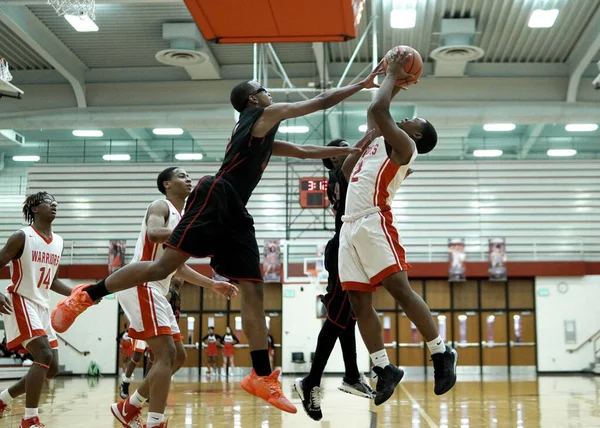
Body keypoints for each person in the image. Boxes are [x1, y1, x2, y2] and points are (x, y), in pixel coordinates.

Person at [51, 71, 382, 414]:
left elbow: (302, 150)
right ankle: (87, 296)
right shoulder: (259, 116)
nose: (269, 94)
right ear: (253, 99)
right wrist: (361, 84)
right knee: (164, 266)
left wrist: (357, 148)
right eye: (264, 90)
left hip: (236, 210)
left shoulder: (264, 135)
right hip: (217, 194)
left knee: (253, 289)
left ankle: (261, 375)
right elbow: (316, 103)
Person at [339, 49, 458, 406]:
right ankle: (383, 368)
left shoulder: (405, 148)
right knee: (359, 302)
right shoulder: (378, 141)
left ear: (417, 137)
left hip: (375, 220)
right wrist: (386, 82)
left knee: (399, 289)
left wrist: (391, 74)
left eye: (413, 121)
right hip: (349, 227)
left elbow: (378, 110)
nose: (406, 120)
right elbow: (348, 171)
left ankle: (440, 352)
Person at [86, 167, 237, 428]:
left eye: (189, 176)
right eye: (181, 175)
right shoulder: (161, 206)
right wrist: (195, 232)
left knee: (178, 356)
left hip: (157, 289)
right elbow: (154, 234)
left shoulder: (184, 217)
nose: (188, 179)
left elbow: (177, 266)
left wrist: (213, 285)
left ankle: (129, 405)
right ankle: (155, 421)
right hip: (140, 283)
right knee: (165, 353)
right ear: (167, 184)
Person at [294, 133, 380, 421]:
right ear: (331, 158)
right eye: (341, 148)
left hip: (351, 246)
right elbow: (363, 149)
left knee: (347, 315)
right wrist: (377, 131)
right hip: (342, 247)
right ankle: (312, 380)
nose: (349, 149)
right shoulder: (339, 173)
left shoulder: (350, 175)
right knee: (338, 315)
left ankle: (352, 374)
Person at [0, 192, 78, 427]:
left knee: (51, 368)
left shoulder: (59, 241)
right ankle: (30, 419)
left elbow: (52, 281)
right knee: (42, 355)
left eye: (56, 201)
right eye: (47, 201)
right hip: (20, 300)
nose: (54, 204)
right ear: (34, 209)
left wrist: (79, 294)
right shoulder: (21, 236)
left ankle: (2, 399)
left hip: (42, 305)